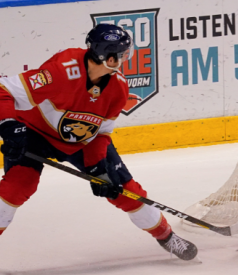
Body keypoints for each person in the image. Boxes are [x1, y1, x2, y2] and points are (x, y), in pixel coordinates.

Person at [0, 23, 198, 261]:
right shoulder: (62, 71)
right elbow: (4, 90)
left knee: (126, 192)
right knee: (18, 186)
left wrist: (98, 168)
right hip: (34, 133)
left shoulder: (118, 88)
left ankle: (166, 236)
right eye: (123, 54)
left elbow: (101, 132)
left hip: (83, 142)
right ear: (108, 56)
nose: (126, 58)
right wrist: (10, 126)